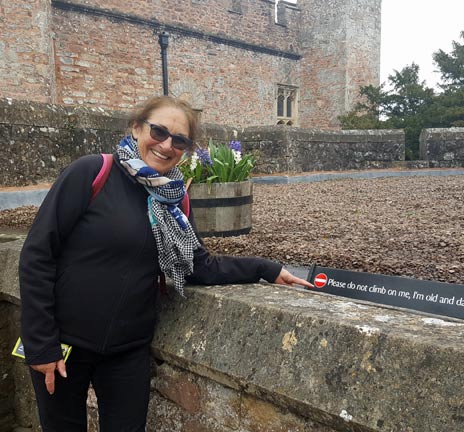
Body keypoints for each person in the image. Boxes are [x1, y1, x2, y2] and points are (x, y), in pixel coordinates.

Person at [19, 95, 313, 431]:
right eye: (158, 131)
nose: (166, 145)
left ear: (186, 148)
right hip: (63, 345)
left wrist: (267, 269)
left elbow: (200, 267)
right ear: (137, 127)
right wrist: (41, 344)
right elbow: (37, 255)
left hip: (126, 353)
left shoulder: (174, 199)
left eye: (180, 140)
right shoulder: (91, 172)